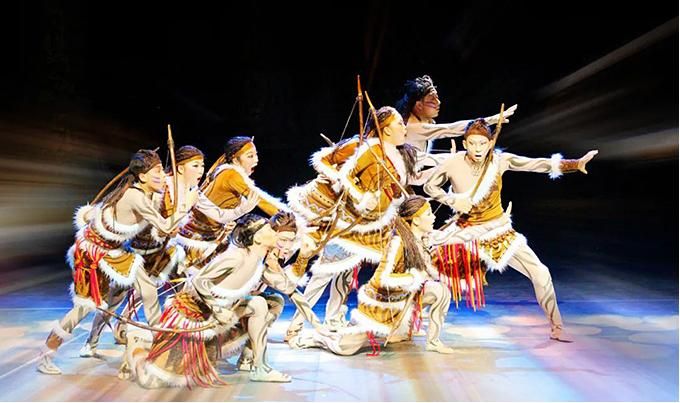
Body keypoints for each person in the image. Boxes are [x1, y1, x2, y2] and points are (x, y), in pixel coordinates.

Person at [424, 118, 598, 341]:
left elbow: (535, 164)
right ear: (465, 143)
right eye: (472, 143)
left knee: (541, 272)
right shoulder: (453, 163)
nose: (477, 148)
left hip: (497, 231)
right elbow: (430, 186)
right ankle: (406, 320)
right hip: (465, 232)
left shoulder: (500, 161)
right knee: (427, 270)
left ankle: (557, 327)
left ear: (490, 143)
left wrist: (575, 164)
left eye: (482, 143)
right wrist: (452, 200)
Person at [38, 149, 197, 375]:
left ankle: (159, 345)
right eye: (158, 172)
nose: (163, 176)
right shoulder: (135, 196)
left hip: (115, 250)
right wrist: (186, 204)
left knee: (148, 290)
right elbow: (165, 227)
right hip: (94, 252)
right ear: (142, 176)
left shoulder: (145, 193)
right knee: (85, 307)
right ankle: (46, 354)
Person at [124, 212, 300, 387]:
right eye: (270, 229)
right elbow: (198, 281)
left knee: (266, 303)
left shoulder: (259, 258)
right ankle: (138, 339)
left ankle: (258, 366)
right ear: (257, 237)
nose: (274, 232)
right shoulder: (236, 257)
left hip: (222, 317)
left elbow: (287, 288)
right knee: (152, 381)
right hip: (197, 317)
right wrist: (217, 309)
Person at [288, 196, 454, 355]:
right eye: (429, 214)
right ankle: (317, 338)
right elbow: (382, 279)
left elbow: (450, 237)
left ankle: (433, 341)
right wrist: (413, 277)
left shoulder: (423, 240)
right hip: (380, 305)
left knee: (440, 291)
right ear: (416, 220)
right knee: (345, 348)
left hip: (402, 301)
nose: (434, 217)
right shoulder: (397, 243)